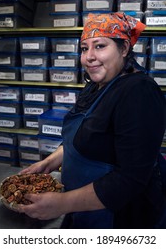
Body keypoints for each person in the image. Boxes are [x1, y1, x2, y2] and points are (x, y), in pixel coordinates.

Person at [18, 12, 166, 229]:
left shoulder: (139, 92)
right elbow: (81, 137)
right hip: (82, 208)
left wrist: (61, 204)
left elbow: (131, 178)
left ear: (124, 49)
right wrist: (49, 162)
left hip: (121, 220)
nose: (89, 57)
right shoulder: (96, 85)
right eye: (85, 48)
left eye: (99, 46)